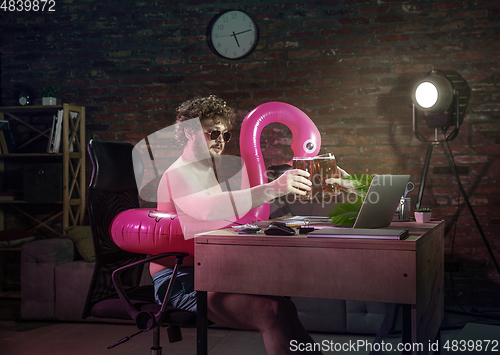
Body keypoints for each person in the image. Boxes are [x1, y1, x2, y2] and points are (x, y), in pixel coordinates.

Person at [153, 95, 322, 355]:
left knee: (285, 307)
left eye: (225, 135)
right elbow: (207, 209)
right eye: (213, 133)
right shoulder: (178, 172)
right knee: (271, 312)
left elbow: (221, 217)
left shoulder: (204, 170)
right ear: (189, 131)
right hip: (179, 279)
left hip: (207, 268)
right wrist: (272, 189)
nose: (220, 141)